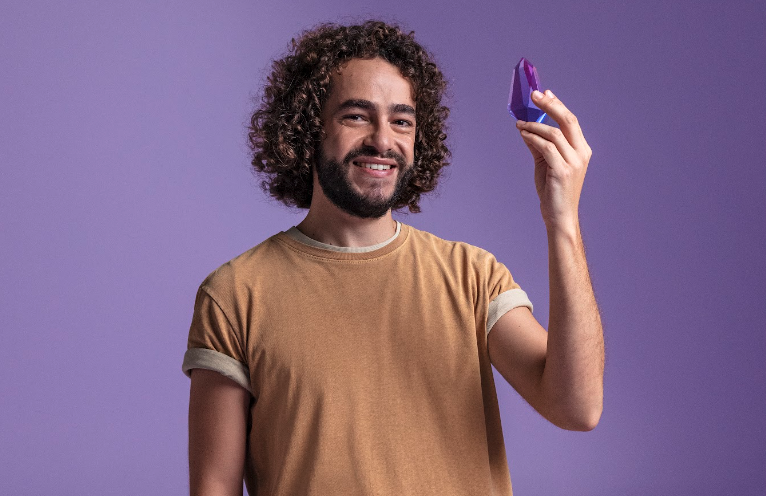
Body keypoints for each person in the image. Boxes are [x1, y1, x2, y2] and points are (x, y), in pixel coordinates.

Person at [182, 20, 603, 496]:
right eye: (357, 116)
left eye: (401, 120)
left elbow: (577, 407)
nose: (383, 140)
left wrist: (561, 220)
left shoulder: (473, 278)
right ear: (307, 129)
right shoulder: (235, 295)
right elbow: (214, 486)